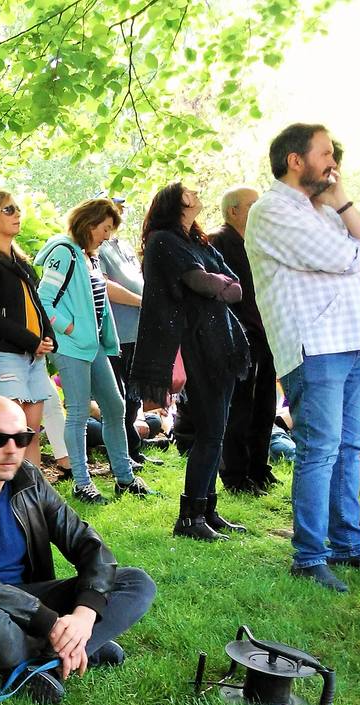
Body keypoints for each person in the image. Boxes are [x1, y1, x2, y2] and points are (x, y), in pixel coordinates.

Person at [0, 396, 155, 705]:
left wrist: (83, 615)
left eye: (22, 438)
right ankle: (78, 646)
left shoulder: (28, 477)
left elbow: (86, 543)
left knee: (136, 582)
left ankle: (53, 658)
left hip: (27, 600)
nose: (12, 449)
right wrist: (51, 622)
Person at [245, 122, 360, 590]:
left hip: (357, 343)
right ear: (296, 160)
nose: (333, 163)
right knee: (320, 451)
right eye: (325, 153)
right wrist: (358, 248)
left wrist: (344, 206)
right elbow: (347, 258)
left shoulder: (329, 207)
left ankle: (348, 544)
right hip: (316, 348)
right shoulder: (271, 210)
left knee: (351, 449)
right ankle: (310, 556)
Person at [132, 183, 250, 541]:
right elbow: (201, 283)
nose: (196, 194)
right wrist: (219, 284)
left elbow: (236, 285)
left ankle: (207, 510)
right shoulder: (164, 240)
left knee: (217, 429)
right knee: (211, 431)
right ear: (174, 202)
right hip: (195, 345)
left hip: (222, 344)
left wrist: (220, 284)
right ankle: (190, 517)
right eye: (189, 192)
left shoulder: (197, 241)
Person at [34, 199, 153, 503]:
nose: (107, 235)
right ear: (89, 224)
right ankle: (81, 482)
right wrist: (70, 328)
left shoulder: (90, 256)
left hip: (94, 345)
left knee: (115, 406)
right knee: (77, 411)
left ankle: (125, 478)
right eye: (105, 228)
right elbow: (43, 301)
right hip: (72, 346)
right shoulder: (64, 254)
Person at [0, 189, 56, 464]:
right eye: (8, 210)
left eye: (17, 209)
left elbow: (37, 305)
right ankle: (3, 499)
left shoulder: (21, 263)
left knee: (30, 435)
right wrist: (31, 341)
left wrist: (49, 338)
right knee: (9, 437)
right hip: (5, 358)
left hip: (33, 359)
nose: (17, 214)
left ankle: (34, 499)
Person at [210, 186, 279, 495]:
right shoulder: (218, 242)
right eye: (253, 204)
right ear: (234, 211)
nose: (259, 209)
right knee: (240, 408)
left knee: (265, 405)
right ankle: (236, 476)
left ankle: (259, 468)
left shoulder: (261, 243)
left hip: (267, 333)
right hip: (238, 335)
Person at [97, 195, 155, 469]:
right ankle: (121, 454)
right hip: (117, 332)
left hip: (138, 330)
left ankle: (133, 448)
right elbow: (105, 285)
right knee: (120, 396)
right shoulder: (98, 249)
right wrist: (142, 300)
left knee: (134, 395)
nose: (119, 213)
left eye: (120, 208)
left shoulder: (123, 245)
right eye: (113, 208)